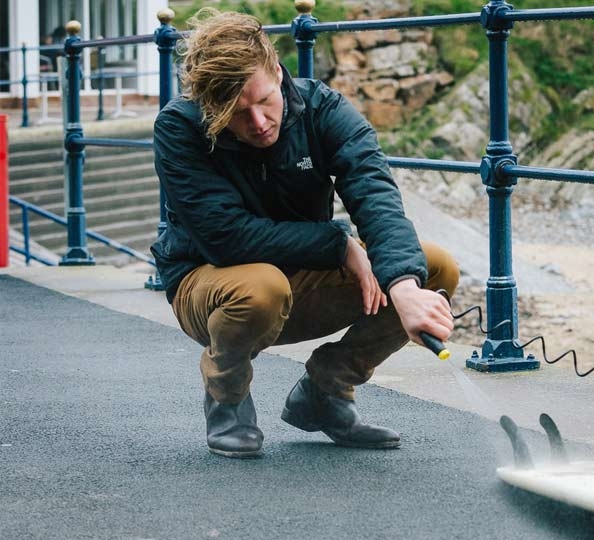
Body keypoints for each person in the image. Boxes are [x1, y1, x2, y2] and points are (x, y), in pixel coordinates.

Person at [151, 9, 459, 459]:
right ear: (212, 106)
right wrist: (336, 243)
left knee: (433, 267)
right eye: (237, 114)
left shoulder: (323, 109)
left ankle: (326, 393)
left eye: (264, 101)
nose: (258, 123)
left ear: (277, 71)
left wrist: (404, 286)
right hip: (211, 284)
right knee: (260, 289)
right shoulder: (180, 128)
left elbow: (374, 192)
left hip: (301, 280)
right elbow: (227, 238)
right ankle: (227, 400)